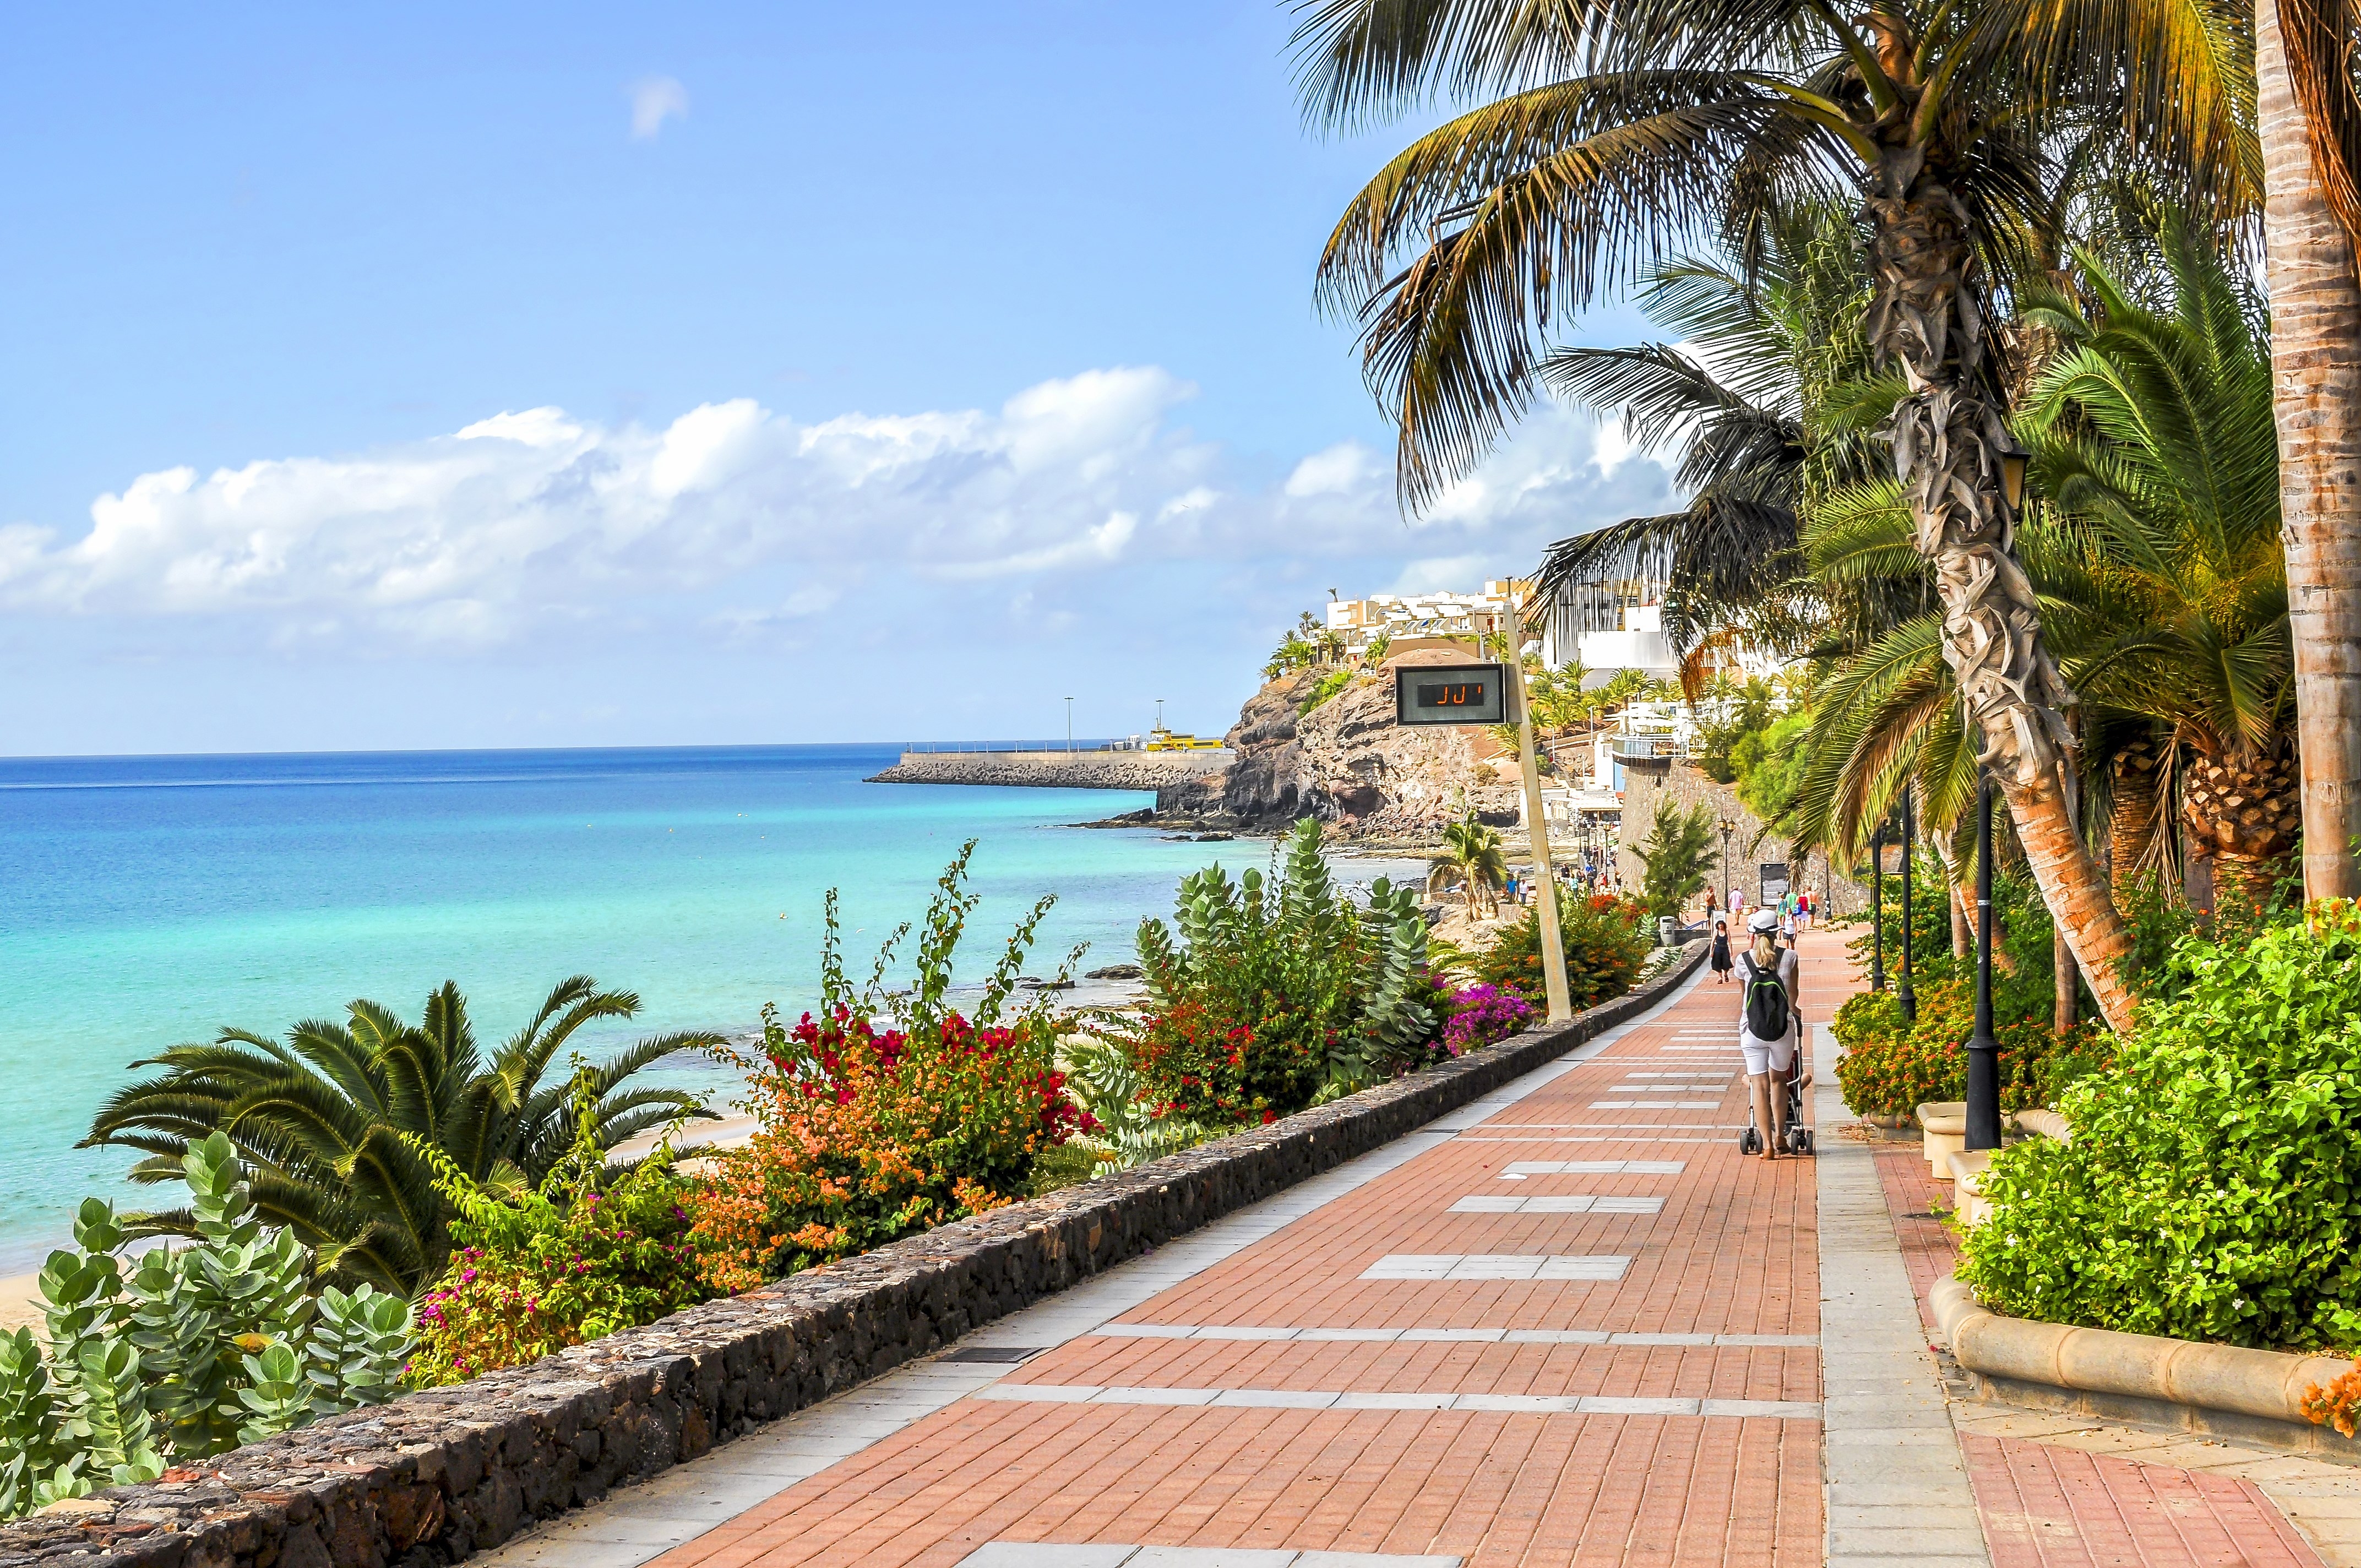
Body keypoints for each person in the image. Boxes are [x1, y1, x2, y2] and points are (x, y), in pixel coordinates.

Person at [1737, 907, 1804, 1159]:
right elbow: (1794, 996)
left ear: (1753, 934)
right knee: (1778, 1081)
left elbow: (1744, 998)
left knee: (1759, 1084)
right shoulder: (1790, 957)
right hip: (1782, 1028)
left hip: (1752, 1029)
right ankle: (1780, 1136)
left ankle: (1766, 1146)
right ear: (1777, 932)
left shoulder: (1742, 960)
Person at [1710, 918, 1733, 984]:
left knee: (1726, 963)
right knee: (1717, 963)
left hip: (1725, 949)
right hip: (1718, 949)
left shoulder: (1727, 931)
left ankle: (1725, 974)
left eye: (1722, 925)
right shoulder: (1716, 932)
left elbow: (1730, 941)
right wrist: (1711, 952)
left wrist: (1731, 950)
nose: (1721, 927)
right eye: (1719, 925)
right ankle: (1720, 978)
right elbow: (1713, 942)